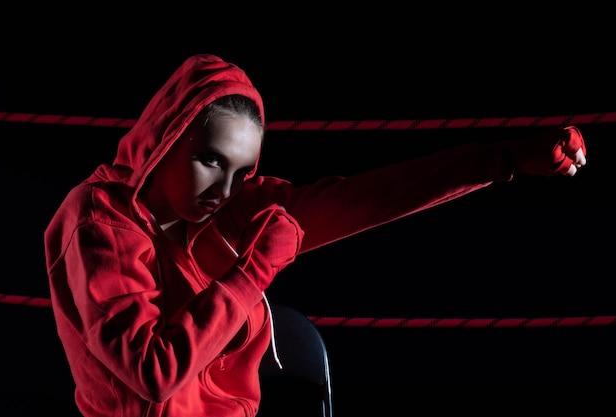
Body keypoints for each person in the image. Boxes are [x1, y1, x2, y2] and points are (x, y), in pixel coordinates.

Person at [43, 53, 587, 417]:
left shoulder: (227, 209)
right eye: (209, 160)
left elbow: (365, 198)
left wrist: (505, 158)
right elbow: (152, 371)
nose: (223, 189)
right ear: (165, 139)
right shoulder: (97, 224)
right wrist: (253, 272)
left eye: (241, 172)